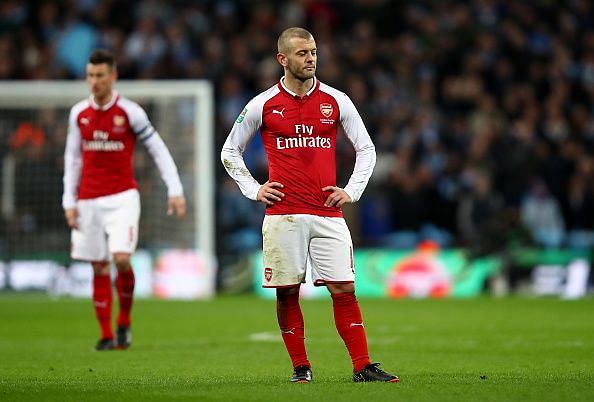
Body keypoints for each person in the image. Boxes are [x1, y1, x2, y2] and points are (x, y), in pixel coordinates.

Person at [221, 27, 398, 383]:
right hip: (283, 215)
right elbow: (229, 151)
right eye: (302, 53)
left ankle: (362, 367)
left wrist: (352, 190)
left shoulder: (336, 100)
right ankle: (301, 368)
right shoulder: (262, 104)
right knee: (288, 292)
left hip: (328, 213)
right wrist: (254, 189)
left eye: (314, 51)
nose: (311, 58)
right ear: (282, 60)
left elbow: (366, 148)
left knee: (344, 288)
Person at [62, 49, 186, 351]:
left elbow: (157, 149)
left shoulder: (130, 112)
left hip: (122, 197)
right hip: (88, 199)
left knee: (120, 259)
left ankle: (124, 321)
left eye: (100, 75)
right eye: (90, 76)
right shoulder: (78, 113)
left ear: (113, 76)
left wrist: (175, 189)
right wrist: (69, 200)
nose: (94, 82)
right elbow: (73, 159)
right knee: (99, 266)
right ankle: (106, 335)